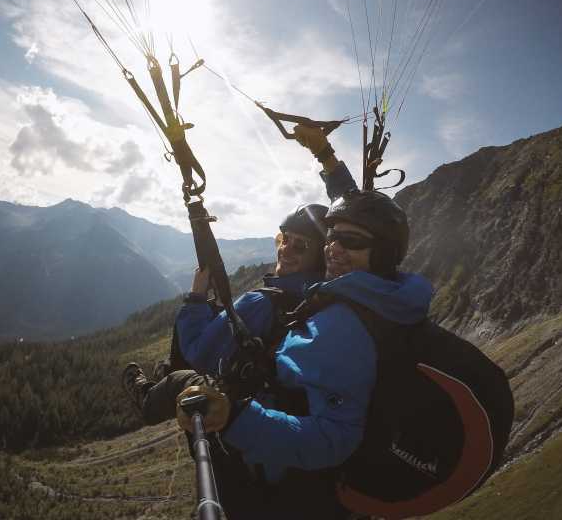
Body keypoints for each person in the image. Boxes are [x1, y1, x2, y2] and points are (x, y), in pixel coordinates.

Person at [174, 189, 433, 520]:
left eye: (349, 241)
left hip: (284, 486)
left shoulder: (341, 324)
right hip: (316, 481)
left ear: (383, 254)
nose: (335, 248)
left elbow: (335, 437)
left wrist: (235, 417)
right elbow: (371, 224)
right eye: (331, 237)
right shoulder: (385, 297)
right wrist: (328, 160)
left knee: (177, 386)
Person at [122, 125, 358, 424]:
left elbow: (198, 351)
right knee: (217, 312)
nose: (286, 249)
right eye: (284, 238)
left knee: (180, 376)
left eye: (301, 246)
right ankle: (167, 368)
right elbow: (358, 215)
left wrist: (195, 299)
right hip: (284, 387)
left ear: (319, 256)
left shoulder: (261, 303)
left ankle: (150, 398)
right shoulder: (333, 288)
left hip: (248, 395)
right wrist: (325, 155)